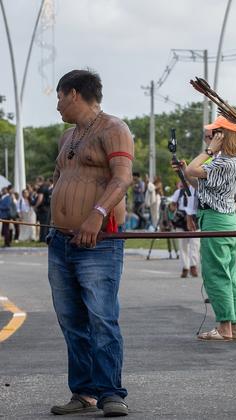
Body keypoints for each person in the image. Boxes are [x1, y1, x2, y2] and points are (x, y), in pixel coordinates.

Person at [47, 69, 133, 417]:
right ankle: (84, 392)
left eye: (58, 97)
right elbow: (60, 179)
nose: (56, 106)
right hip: (61, 242)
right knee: (71, 321)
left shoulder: (115, 129)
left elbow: (123, 178)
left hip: (99, 243)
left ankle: (111, 392)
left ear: (72, 94)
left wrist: (96, 213)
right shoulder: (67, 137)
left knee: (102, 318)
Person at [182, 116, 236, 341]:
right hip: (229, 219)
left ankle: (224, 327)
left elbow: (193, 169)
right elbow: (200, 185)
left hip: (216, 220)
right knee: (231, 275)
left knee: (216, 275)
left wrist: (209, 151)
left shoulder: (220, 162)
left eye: (216, 134)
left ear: (223, 137)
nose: (212, 137)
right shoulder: (234, 162)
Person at [169, 182, 200, 278]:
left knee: (194, 244)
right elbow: (173, 204)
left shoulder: (197, 190)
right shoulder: (179, 192)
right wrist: (172, 209)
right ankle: (185, 267)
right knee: (182, 245)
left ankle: (193, 266)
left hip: (194, 217)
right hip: (181, 219)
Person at [34, 177, 52, 242]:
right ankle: (47, 238)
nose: (36, 182)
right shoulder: (47, 187)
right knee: (47, 224)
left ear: (40, 181)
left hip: (43, 209)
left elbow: (40, 199)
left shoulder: (41, 189)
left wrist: (35, 206)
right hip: (48, 208)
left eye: (37, 181)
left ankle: (42, 239)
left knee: (43, 224)